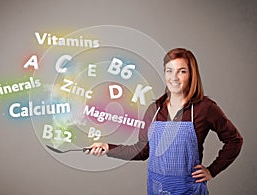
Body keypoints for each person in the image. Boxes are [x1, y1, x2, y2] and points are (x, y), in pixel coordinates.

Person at [85, 48, 243, 195]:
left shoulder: (204, 108)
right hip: (156, 188)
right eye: (169, 71)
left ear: (192, 75)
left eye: (182, 71)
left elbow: (234, 140)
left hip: (188, 189)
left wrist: (212, 170)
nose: (174, 77)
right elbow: (142, 150)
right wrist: (107, 147)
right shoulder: (154, 110)